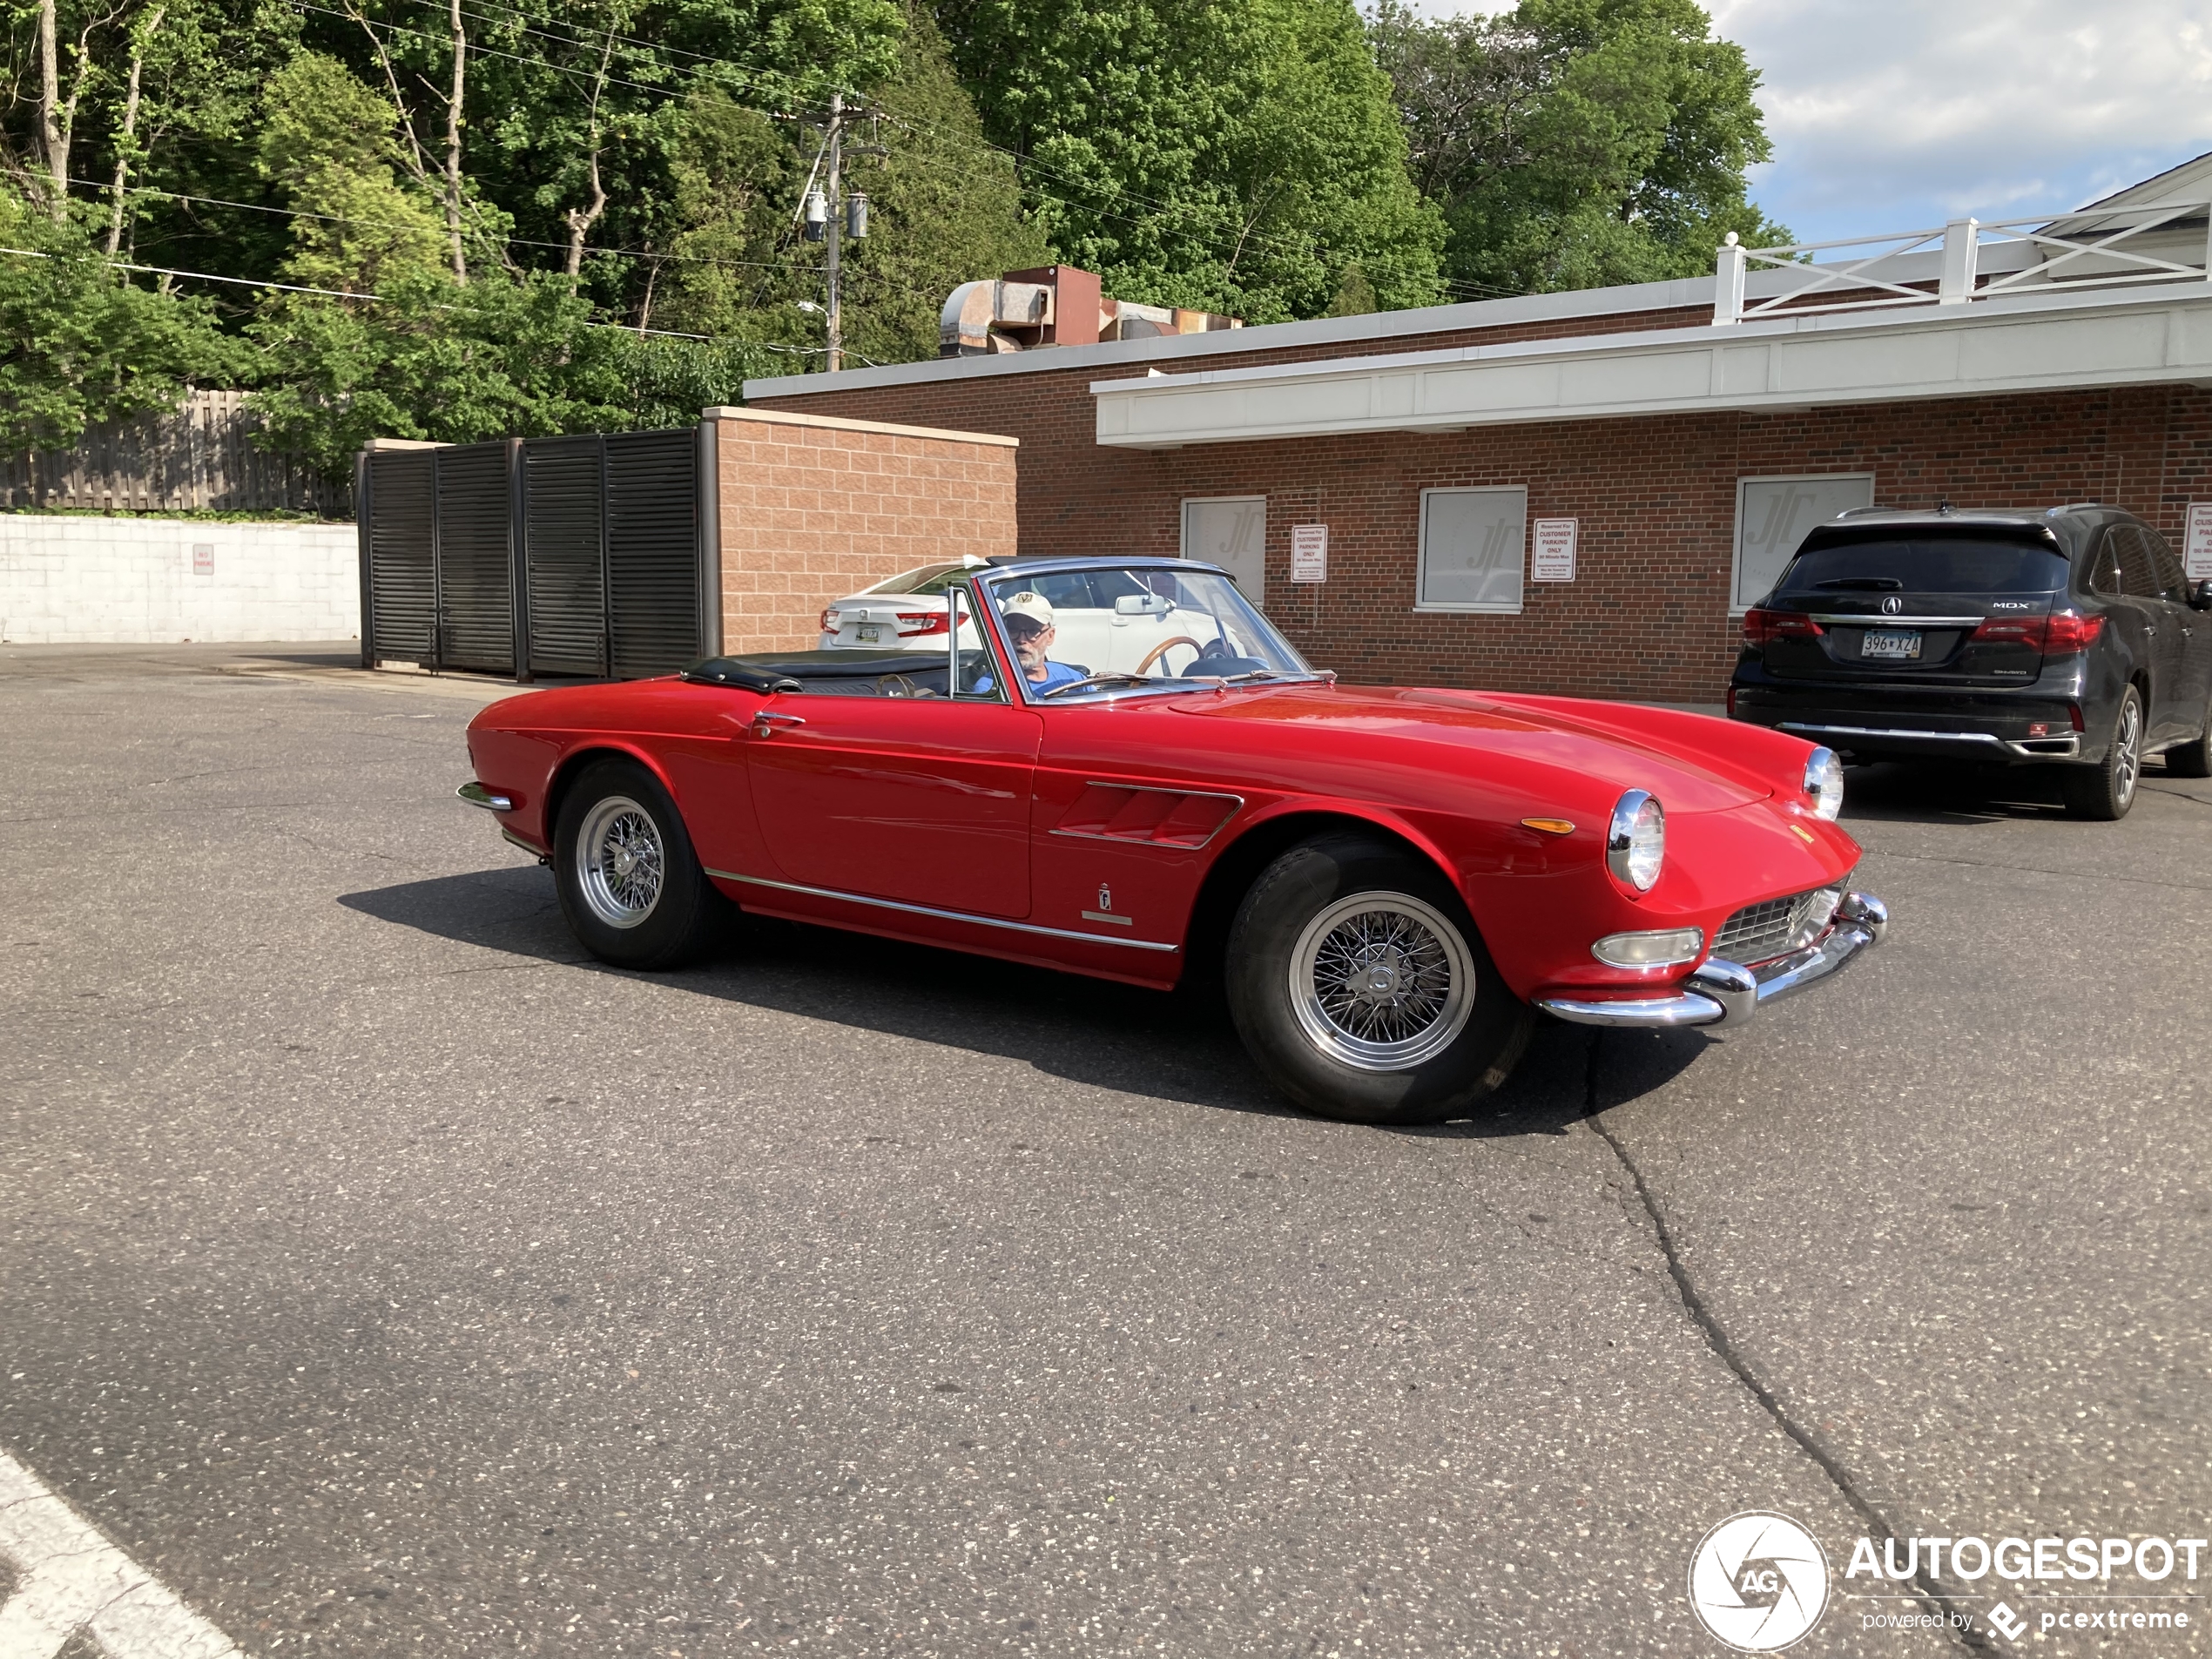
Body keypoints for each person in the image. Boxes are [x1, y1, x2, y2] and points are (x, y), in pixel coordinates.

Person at [976, 590, 1088, 694]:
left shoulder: (1074, 680)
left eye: (1032, 631)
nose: (1022, 639)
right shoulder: (990, 690)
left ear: (1050, 636)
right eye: (1013, 630)